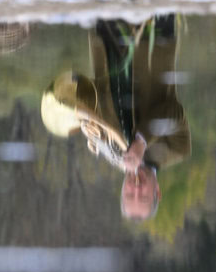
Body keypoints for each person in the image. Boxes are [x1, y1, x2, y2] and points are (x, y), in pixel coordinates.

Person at [40, 16, 190, 221]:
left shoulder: (113, 155)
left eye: (129, 194)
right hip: (153, 35)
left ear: (121, 191)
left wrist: (89, 130)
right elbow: (172, 112)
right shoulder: (177, 150)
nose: (136, 188)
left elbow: (94, 99)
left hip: (107, 40)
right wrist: (141, 142)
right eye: (143, 196)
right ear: (158, 192)